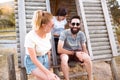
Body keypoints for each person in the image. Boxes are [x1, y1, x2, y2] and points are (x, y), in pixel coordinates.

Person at [24, 10, 60, 80]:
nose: (54, 27)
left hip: (45, 59)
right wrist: (48, 73)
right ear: (44, 26)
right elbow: (33, 59)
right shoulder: (30, 37)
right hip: (33, 62)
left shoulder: (48, 33)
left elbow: (48, 51)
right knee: (54, 79)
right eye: (52, 25)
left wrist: (48, 65)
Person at [58, 15, 93, 80]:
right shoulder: (64, 33)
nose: (75, 26)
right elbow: (59, 49)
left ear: (80, 25)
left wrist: (85, 58)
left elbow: (84, 48)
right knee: (64, 59)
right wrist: (74, 53)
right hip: (66, 52)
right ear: (69, 24)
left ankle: (90, 78)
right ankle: (67, 79)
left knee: (88, 58)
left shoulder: (81, 34)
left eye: (77, 24)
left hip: (77, 52)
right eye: (73, 24)